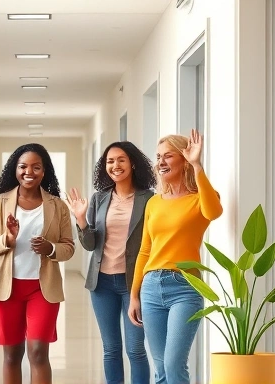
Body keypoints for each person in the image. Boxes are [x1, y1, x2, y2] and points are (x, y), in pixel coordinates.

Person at [128, 129, 223, 384]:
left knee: (173, 365)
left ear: (183, 159)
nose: (160, 162)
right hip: (150, 287)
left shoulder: (199, 199)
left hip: (185, 287)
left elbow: (214, 212)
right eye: (158, 157)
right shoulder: (154, 203)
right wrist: (134, 294)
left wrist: (197, 165)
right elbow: (145, 250)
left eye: (168, 156)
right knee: (160, 370)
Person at [0, 143, 75, 384]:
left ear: (44, 171)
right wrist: (8, 239)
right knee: (12, 355)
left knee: (37, 352)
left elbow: (69, 247)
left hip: (42, 290)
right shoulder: (1, 202)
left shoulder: (58, 205)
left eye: (36, 167)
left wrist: (51, 248)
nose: (28, 172)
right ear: (15, 169)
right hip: (7, 289)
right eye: (23, 166)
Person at [68, 141, 155, 384]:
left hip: (134, 283)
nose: (115, 165)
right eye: (110, 161)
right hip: (102, 284)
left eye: (121, 160)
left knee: (136, 350)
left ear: (133, 163)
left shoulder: (149, 199)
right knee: (111, 349)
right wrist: (82, 220)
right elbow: (90, 244)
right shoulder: (99, 198)